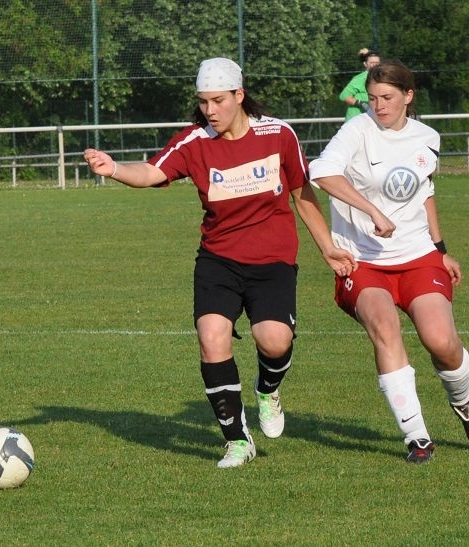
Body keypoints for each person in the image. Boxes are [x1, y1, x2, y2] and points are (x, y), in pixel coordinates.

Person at [84, 57, 356, 469]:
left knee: (274, 341)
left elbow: (302, 194)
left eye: (217, 100)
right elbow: (153, 172)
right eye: (203, 102)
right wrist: (115, 168)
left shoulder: (278, 134)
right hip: (219, 260)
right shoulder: (195, 142)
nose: (210, 110)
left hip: (273, 261)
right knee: (212, 337)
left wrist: (328, 248)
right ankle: (237, 441)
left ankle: (268, 391)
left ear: (239, 96)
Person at [309, 59, 469, 463]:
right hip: (362, 261)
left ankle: (464, 405)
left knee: (441, 342)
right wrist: (371, 211)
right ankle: (417, 437)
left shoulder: (428, 137)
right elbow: (320, 172)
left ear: (408, 96)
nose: (379, 106)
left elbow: (423, 194)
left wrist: (441, 251)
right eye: (373, 99)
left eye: (388, 98)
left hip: (417, 254)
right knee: (385, 328)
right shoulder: (357, 130)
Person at [339, 48, 381, 121]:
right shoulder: (360, 79)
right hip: (355, 121)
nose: (375, 65)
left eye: (377, 63)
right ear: (365, 64)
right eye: (372, 63)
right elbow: (343, 96)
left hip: (370, 120)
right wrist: (361, 104)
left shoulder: (381, 78)